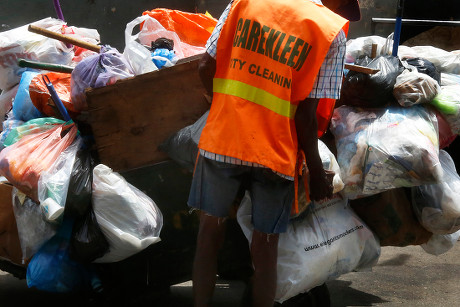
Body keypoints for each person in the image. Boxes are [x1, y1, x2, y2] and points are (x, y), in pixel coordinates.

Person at [188, 0, 361, 306]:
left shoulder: (244, 3)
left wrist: (222, 109)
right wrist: (316, 173)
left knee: (209, 234)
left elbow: (205, 65)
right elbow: (306, 118)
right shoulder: (329, 32)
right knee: (265, 248)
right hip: (275, 154)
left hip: (224, 139)